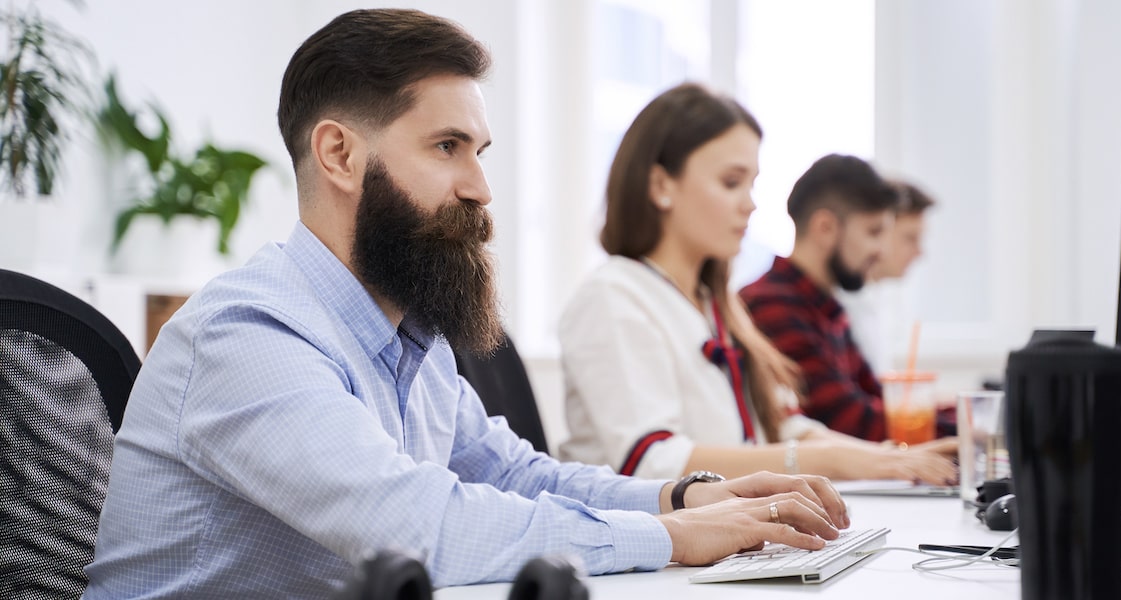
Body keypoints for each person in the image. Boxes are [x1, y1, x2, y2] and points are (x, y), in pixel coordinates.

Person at [82, 10, 849, 597]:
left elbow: (516, 477)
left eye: (479, 154)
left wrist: (688, 496)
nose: (480, 187)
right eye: (447, 147)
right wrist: (671, 535)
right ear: (340, 154)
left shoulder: (410, 336)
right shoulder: (247, 334)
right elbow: (418, 526)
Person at [557, 84, 956, 487]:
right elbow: (652, 463)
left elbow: (783, 427)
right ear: (661, 186)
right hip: (648, 540)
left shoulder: (715, 305)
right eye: (731, 183)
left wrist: (886, 458)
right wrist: (836, 460)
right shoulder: (613, 297)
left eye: (751, 185)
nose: (749, 204)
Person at [741, 154, 911, 441]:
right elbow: (847, 420)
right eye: (873, 232)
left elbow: (876, 397)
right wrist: (968, 422)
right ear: (825, 228)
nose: (882, 251)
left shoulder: (828, 309)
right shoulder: (772, 305)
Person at [835, 179, 936, 374]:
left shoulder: (876, 301)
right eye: (910, 238)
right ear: (881, 231)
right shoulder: (840, 308)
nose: (919, 252)